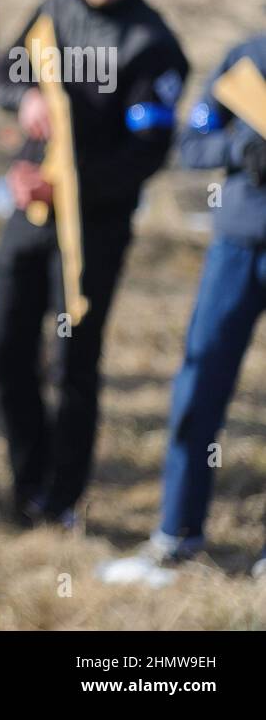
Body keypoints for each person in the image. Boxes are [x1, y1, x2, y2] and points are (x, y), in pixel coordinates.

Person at [0, 0, 189, 528]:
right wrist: (25, 102)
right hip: (29, 215)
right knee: (2, 351)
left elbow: (148, 151)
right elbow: (2, 74)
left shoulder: (154, 42)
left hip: (95, 228)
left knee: (72, 361)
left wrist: (70, 183)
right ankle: (28, 481)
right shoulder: (51, 15)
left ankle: (62, 499)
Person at [98, 38, 266, 582]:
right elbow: (192, 144)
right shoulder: (247, 59)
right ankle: (177, 532)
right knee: (200, 381)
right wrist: (240, 147)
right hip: (236, 248)